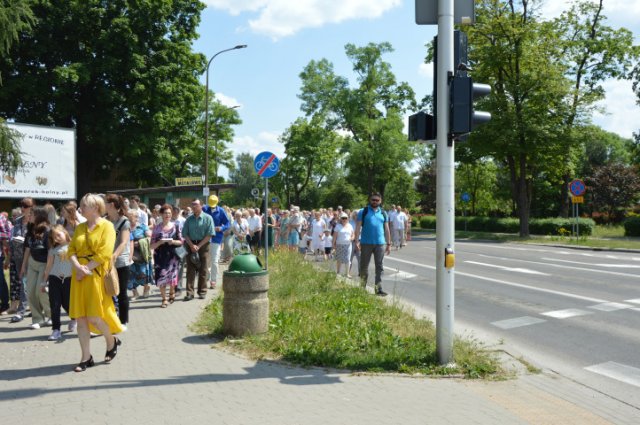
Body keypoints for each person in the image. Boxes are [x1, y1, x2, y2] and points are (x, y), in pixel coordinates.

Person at [68, 194, 123, 372]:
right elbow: (71, 250)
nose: (81, 209)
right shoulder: (80, 227)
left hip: (95, 276)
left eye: (84, 205)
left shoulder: (107, 226)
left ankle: (111, 341)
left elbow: (105, 253)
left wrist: (85, 269)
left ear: (95, 208)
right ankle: (86, 357)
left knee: (94, 317)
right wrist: (78, 267)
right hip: (79, 276)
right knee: (81, 319)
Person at [20, 206, 52, 329]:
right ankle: (38, 319)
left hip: (44, 263)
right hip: (32, 263)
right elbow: (27, 249)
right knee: (30, 291)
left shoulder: (48, 231)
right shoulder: (30, 229)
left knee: (41, 291)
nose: (29, 216)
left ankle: (51, 316)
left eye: (32, 214)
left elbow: (50, 252)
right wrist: (23, 266)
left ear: (39, 216)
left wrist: (48, 270)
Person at [354, 192, 391, 296]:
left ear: (380, 201)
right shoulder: (363, 211)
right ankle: (362, 287)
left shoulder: (383, 213)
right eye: (373, 200)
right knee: (364, 266)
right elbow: (358, 227)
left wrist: (389, 244)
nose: (375, 202)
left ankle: (378, 289)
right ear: (370, 200)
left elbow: (387, 229)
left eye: (377, 200)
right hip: (366, 243)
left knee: (379, 267)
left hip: (380, 243)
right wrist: (356, 241)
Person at [42, 225, 74, 340]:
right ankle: (56, 329)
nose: (56, 238)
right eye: (54, 237)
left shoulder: (73, 246)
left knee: (67, 303)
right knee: (54, 305)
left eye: (58, 235)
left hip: (69, 280)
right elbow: (48, 266)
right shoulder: (53, 250)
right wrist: (43, 282)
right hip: (54, 279)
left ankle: (74, 318)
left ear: (65, 232)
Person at [105, 194, 131, 327]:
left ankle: (123, 321)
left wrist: (114, 255)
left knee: (121, 292)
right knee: (107, 292)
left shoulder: (124, 221)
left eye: (105, 203)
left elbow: (124, 242)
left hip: (121, 262)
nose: (103, 205)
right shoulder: (104, 220)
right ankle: (110, 319)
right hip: (105, 262)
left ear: (111, 205)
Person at [181, 199, 214, 301]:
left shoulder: (208, 218)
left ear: (201, 206)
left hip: (203, 245)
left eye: (196, 204)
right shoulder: (189, 219)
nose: (194, 206)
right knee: (190, 270)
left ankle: (202, 291)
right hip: (190, 244)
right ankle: (189, 293)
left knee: (203, 269)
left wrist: (198, 246)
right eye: (193, 205)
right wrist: (192, 245)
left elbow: (210, 234)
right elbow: (184, 234)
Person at [150, 204, 183, 307]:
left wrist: (172, 242)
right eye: (165, 213)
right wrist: (160, 242)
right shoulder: (156, 228)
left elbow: (181, 241)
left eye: (169, 213)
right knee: (161, 278)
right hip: (160, 257)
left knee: (172, 277)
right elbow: (151, 245)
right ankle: (164, 299)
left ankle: (172, 292)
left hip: (173, 256)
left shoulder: (176, 226)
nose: (167, 215)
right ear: (161, 214)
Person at [8, 198, 32, 322]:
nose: (23, 208)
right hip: (18, 257)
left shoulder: (34, 221)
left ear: (31, 207)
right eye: (22, 206)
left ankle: (21, 311)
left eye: (26, 206)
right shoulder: (17, 221)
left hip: (32, 257)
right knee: (24, 283)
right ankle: (35, 308)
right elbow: (12, 236)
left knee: (25, 283)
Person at [202, 195, 229, 290]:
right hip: (205, 239)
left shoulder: (221, 211)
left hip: (216, 239)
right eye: (211, 205)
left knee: (214, 261)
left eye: (213, 205)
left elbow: (227, 223)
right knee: (206, 260)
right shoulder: (204, 209)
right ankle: (207, 276)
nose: (212, 207)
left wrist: (221, 228)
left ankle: (213, 280)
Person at [127, 210, 153, 299]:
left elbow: (150, 238)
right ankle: (135, 293)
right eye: (128, 217)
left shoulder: (142, 227)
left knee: (143, 272)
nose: (129, 219)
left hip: (141, 254)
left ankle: (146, 289)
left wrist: (140, 242)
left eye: (131, 217)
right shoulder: (125, 228)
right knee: (130, 274)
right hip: (129, 254)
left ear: (136, 218)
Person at [333, 212, 354, 276]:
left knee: (348, 259)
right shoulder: (338, 226)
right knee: (339, 259)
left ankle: (347, 273)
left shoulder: (350, 226)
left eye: (345, 218)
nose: (344, 219)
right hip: (339, 245)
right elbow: (334, 236)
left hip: (348, 245)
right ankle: (338, 272)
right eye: (343, 218)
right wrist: (333, 244)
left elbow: (353, 234)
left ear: (348, 219)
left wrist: (352, 238)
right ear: (341, 219)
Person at [0, 211, 11, 315]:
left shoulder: (1, 218)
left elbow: (5, 238)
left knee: (0, 280)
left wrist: (8, 256)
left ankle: (4, 304)